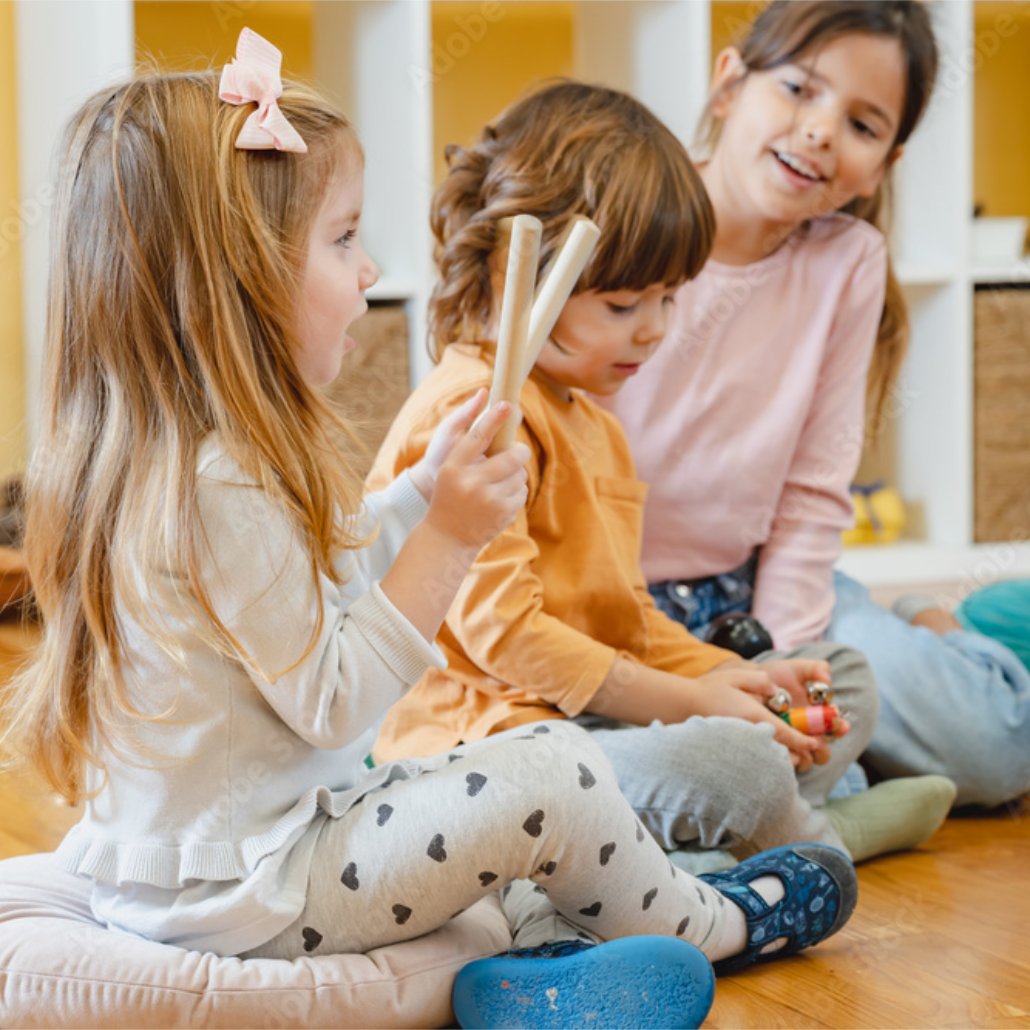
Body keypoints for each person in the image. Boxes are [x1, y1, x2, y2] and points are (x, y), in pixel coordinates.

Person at [0, 30, 858, 1030]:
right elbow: (333, 705)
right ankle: (721, 921)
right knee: (556, 771)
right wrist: (448, 537)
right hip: (257, 891)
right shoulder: (219, 480)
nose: (370, 269)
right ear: (237, 280)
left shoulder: (170, 460)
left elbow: (318, 570)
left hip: (224, 868)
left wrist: (416, 493)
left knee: (501, 812)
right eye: (341, 239)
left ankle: (549, 961)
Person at [367, 76, 931, 887]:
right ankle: (792, 837)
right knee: (733, 763)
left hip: (585, 714)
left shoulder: (592, 417)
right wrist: (694, 704)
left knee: (839, 681)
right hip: (487, 748)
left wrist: (714, 673)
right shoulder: (474, 414)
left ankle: (703, 844)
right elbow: (509, 639)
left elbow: (625, 617)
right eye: (627, 303)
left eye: (670, 298)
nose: (657, 330)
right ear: (513, 275)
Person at [600, 0, 999, 809]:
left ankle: (950, 628)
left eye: (861, 123)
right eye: (798, 89)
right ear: (729, 86)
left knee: (993, 745)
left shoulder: (848, 264)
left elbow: (814, 496)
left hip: (763, 594)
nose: (820, 130)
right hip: (610, 603)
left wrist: (775, 661)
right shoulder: (626, 218)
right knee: (682, 773)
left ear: (883, 165)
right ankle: (844, 781)